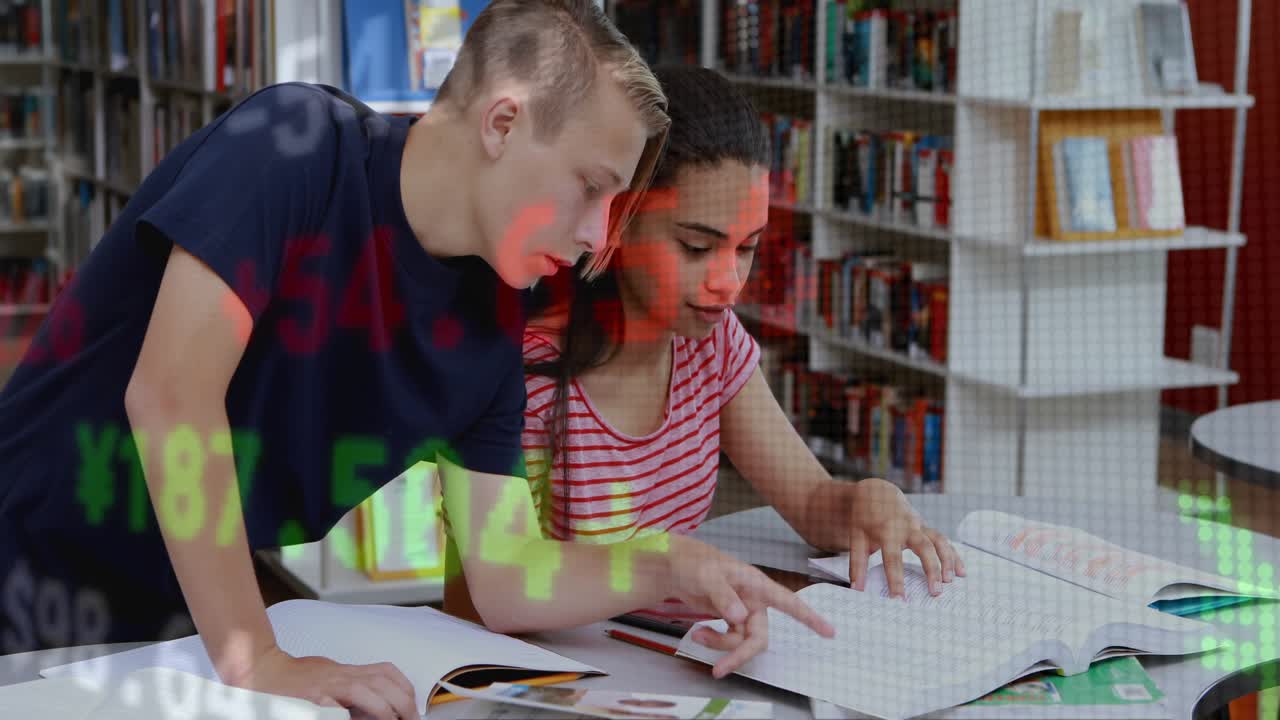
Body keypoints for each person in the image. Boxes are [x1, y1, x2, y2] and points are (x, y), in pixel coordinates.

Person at [0, 1, 682, 717]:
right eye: (592, 187)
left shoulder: (492, 321)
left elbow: (508, 572)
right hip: (27, 578)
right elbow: (172, 396)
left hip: (172, 627)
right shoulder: (292, 146)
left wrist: (674, 567)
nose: (597, 236)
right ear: (503, 123)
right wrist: (255, 655)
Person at [513, 65, 967, 668]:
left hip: (667, 663)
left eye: (747, 247)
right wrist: (663, 567)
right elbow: (495, 589)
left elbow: (809, 499)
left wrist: (866, 499)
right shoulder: (528, 377)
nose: (729, 284)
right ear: (615, 219)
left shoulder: (711, 341)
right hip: (547, 676)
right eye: (696, 247)